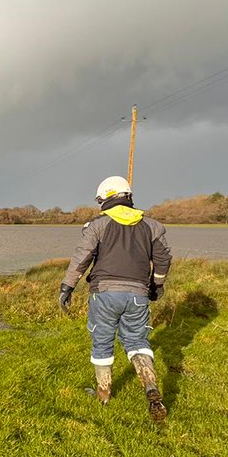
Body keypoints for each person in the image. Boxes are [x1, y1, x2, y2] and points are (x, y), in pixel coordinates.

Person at [57, 176, 172, 420]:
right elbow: (163, 259)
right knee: (137, 340)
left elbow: (82, 258)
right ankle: (150, 385)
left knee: (102, 341)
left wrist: (67, 286)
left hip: (104, 294)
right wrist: (157, 285)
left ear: (106, 199)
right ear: (127, 196)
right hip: (138, 295)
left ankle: (103, 394)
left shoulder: (97, 226)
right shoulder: (152, 226)